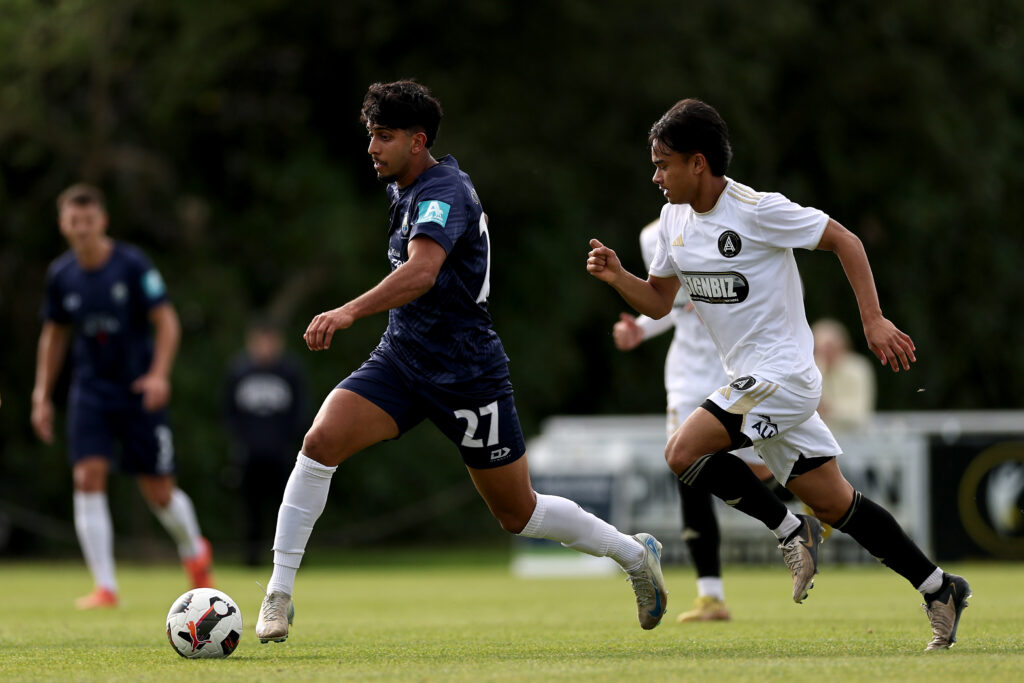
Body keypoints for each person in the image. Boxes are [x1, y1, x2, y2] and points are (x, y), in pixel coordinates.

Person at [254, 80, 668, 643]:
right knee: (320, 442)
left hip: (468, 372)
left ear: (417, 140)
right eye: (370, 135)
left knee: (516, 514)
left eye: (384, 136)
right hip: (402, 360)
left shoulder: (443, 189)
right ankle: (278, 595)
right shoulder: (408, 186)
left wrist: (349, 311)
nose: (372, 147)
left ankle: (633, 556)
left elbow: (423, 271)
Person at [586, 98, 970, 651]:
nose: (655, 176)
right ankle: (940, 588)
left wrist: (873, 319)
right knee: (838, 502)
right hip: (751, 382)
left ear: (698, 163)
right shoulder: (673, 220)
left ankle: (792, 530)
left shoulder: (757, 209)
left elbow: (846, 240)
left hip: (785, 376)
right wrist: (620, 277)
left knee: (680, 452)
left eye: (663, 163)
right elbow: (658, 304)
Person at [31, 183, 213, 609]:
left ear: (103, 222)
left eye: (88, 221)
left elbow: (167, 321)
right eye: (73, 222)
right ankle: (105, 587)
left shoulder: (132, 265)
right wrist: (42, 394)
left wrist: (158, 376)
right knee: (86, 477)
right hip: (90, 392)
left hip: (137, 391)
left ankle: (195, 553)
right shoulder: (61, 275)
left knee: (159, 492)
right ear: (63, 225)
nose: (81, 229)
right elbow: (53, 335)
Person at [612, 218, 782, 623]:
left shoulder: (732, 220)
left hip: (736, 370)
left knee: (759, 472)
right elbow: (669, 302)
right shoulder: (652, 234)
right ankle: (711, 595)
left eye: (666, 166)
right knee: (686, 469)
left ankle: (798, 508)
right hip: (688, 377)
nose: (662, 178)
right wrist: (640, 329)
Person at [223, 318, 309, 566]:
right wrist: (241, 441)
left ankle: (288, 559)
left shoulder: (290, 371)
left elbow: (301, 411)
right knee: (250, 509)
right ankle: (251, 559)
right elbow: (228, 412)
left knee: (287, 507)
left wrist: (288, 441)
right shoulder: (238, 370)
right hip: (248, 453)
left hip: (282, 452)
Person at [811, 318, 876, 433]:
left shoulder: (857, 369)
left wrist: (827, 409)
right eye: (821, 349)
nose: (827, 353)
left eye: (830, 347)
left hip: (853, 439)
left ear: (843, 346)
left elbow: (860, 414)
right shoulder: (810, 370)